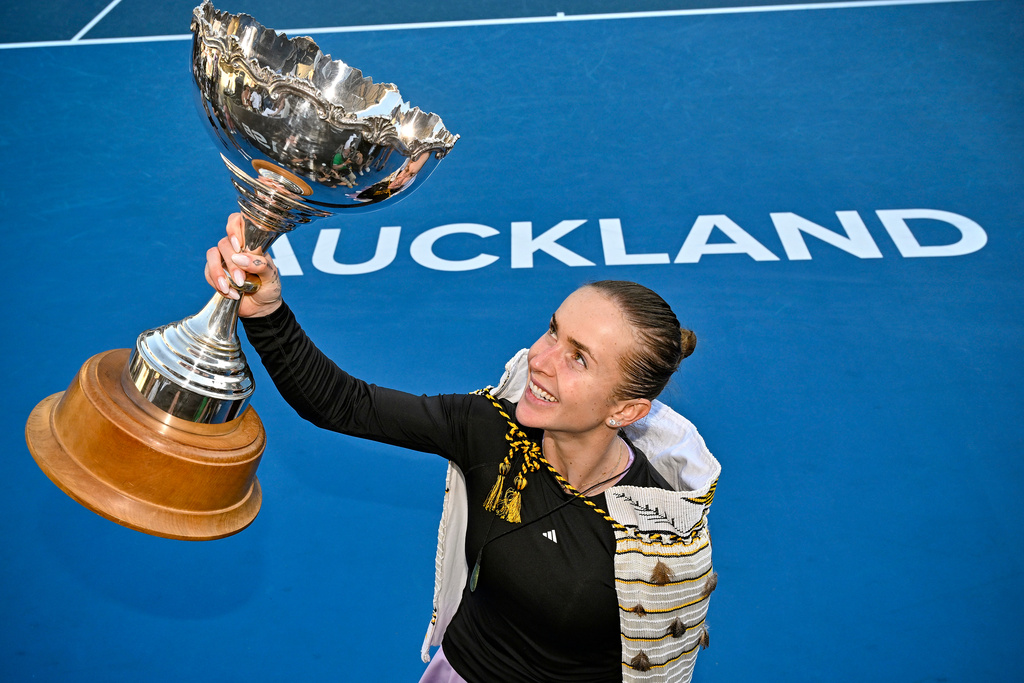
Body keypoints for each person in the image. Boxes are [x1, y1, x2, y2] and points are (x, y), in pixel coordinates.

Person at [207, 214, 721, 683]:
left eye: (578, 359)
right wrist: (265, 313)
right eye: (553, 331)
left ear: (626, 411)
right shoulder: (490, 428)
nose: (541, 360)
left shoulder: (658, 533)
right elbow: (342, 403)